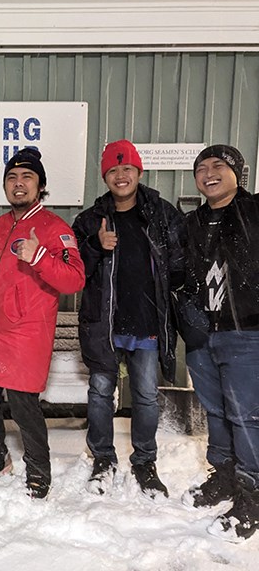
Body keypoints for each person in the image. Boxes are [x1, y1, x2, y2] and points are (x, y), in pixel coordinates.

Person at [0, 147, 85, 499]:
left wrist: (39, 255)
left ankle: (39, 472)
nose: (18, 184)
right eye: (12, 178)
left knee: (24, 405)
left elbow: (74, 280)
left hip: (27, 331)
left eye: (27, 177)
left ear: (41, 186)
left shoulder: (54, 227)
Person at [72, 139, 185, 499]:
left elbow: (180, 261)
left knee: (147, 396)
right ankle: (103, 459)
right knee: (101, 392)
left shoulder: (162, 214)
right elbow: (73, 273)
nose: (121, 176)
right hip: (104, 324)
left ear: (138, 172)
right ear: (105, 176)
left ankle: (144, 462)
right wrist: (94, 245)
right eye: (113, 170)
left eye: (127, 169)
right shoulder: (90, 220)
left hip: (148, 321)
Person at [179, 145, 259, 542]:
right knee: (216, 412)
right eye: (201, 168)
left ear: (237, 173)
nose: (209, 173)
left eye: (218, 166)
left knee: (247, 416)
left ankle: (252, 495)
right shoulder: (191, 223)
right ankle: (224, 476)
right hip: (202, 334)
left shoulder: (253, 213)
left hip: (246, 332)